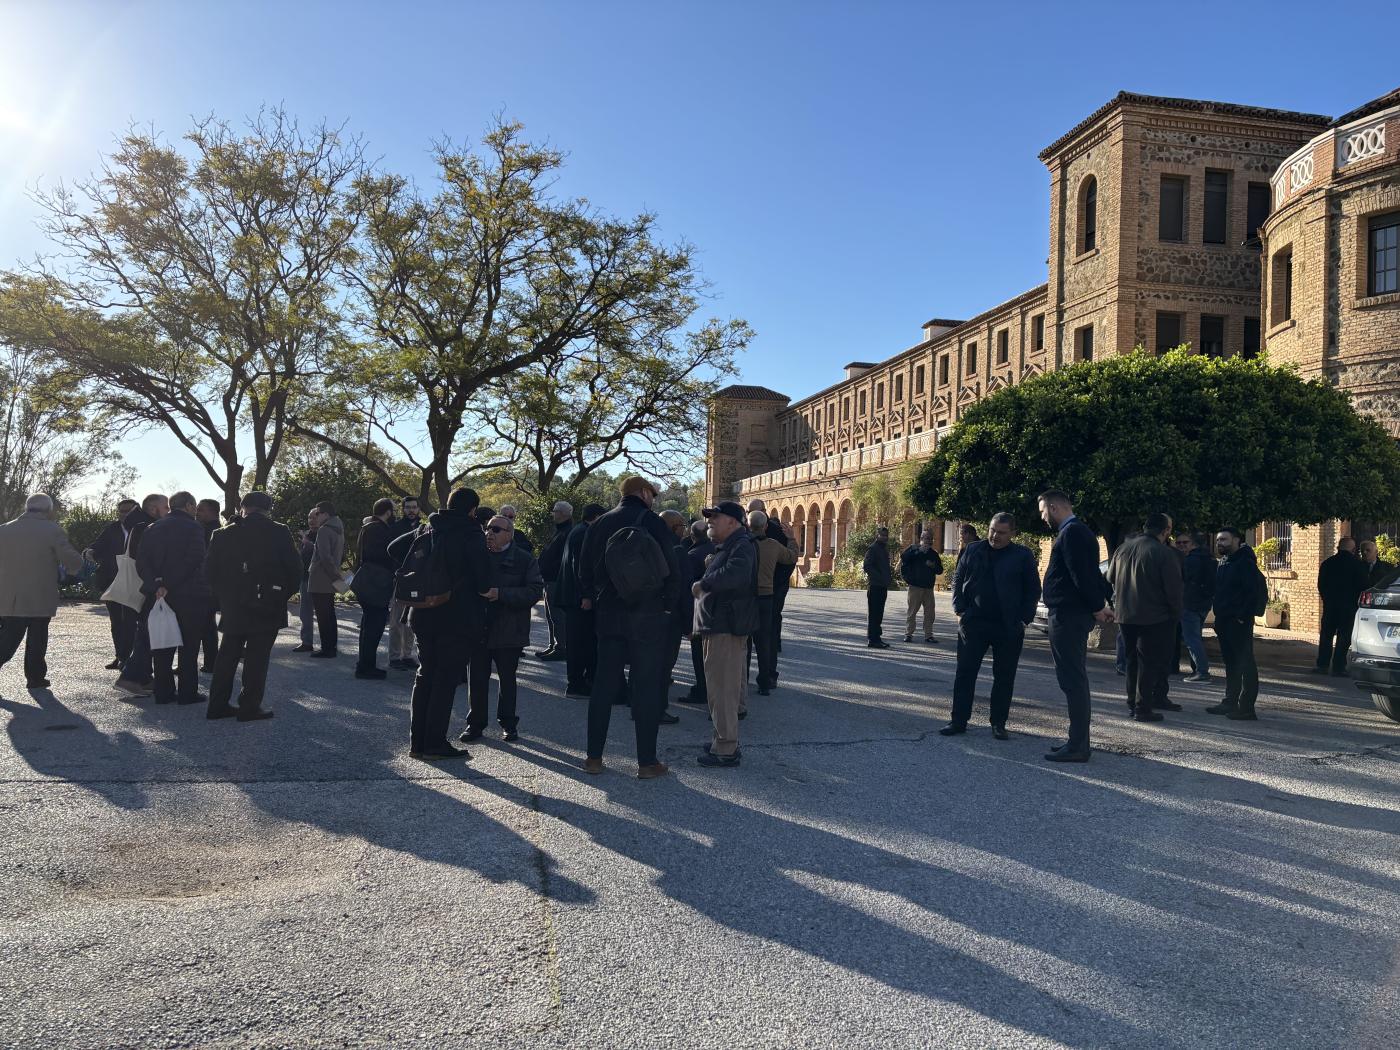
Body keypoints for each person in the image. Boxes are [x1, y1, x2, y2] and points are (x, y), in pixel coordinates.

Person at [579, 475, 682, 779]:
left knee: (603, 686)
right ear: (642, 493)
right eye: (652, 493)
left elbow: (584, 570)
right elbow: (672, 568)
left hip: (609, 614)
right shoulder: (652, 522)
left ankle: (593, 758)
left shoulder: (600, 523)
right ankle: (647, 763)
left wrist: (597, 598)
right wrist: (667, 606)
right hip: (647, 613)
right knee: (647, 686)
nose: (654, 499)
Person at [388, 487, 494, 760]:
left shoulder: (428, 527)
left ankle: (418, 743)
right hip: (458, 615)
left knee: (425, 674)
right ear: (473, 509)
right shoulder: (471, 533)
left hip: (423, 611)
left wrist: (423, 573)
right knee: (445, 678)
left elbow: (394, 548)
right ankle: (435, 742)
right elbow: (483, 579)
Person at [204, 491, 301, 721]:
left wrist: (223, 597)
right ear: (268, 509)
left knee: (227, 655)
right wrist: (282, 594)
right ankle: (249, 706)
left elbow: (209, 571)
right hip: (267, 602)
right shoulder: (279, 531)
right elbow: (295, 569)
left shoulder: (222, 534)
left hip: (233, 603)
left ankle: (217, 704)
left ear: (243, 507)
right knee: (257, 657)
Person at [942, 512, 1041, 739]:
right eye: (992, 530)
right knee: (965, 673)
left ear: (1012, 533)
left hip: (1008, 626)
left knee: (1004, 676)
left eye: (1002, 533)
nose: (995, 536)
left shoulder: (1022, 556)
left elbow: (1033, 590)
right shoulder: (973, 550)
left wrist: (1024, 620)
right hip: (973, 623)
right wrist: (959, 610)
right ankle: (958, 721)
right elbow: (958, 579)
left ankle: (998, 723)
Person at [1038, 490, 1112, 762]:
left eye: (1043, 512)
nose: (1043, 518)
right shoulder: (1077, 532)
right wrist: (1101, 603)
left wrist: (1097, 606)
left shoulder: (1072, 533)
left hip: (1069, 616)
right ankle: (1076, 740)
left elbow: (1082, 575)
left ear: (1054, 507)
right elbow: (1091, 574)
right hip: (1069, 614)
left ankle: (1078, 746)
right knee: (1072, 679)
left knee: (1072, 680)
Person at [462, 514, 543, 742]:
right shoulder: (477, 556)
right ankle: (475, 724)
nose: (489, 533)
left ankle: (508, 724)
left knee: (507, 679)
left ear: (509, 534)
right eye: (488, 528)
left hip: (509, 628)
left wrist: (501, 594)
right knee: (477, 679)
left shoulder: (524, 559)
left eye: (496, 529)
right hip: (478, 627)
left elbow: (534, 591)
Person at [694, 501, 758, 768]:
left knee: (722, 690)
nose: (710, 520)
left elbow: (736, 575)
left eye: (715, 517)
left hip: (725, 627)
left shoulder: (741, 545)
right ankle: (722, 740)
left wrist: (704, 583)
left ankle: (725, 748)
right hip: (720, 625)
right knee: (722, 688)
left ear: (733, 522)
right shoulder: (732, 545)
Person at [137, 491, 214, 706]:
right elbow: (194, 559)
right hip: (190, 594)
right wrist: (168, 584)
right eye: (194, 506)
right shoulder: (193, 527)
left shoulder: (152, 528)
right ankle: (187, 693)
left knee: (162, 644)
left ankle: (163, 692)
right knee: (189, 645)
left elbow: (142, 561)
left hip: (158, 595)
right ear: (188, 505)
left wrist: (157, 584)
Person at [0, 494, 84, 688]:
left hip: (9, 595)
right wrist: (76, 567)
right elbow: (70, 559)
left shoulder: (4, 529)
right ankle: (35, 678)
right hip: (40, 595)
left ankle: (35, 676)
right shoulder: (52, 530)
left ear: (26, 507)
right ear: (48, 509)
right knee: (38, 638)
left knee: (8, 637)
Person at [1107, 512, 1184, 723]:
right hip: (1154, 616)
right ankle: (1143, 707)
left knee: (1132, 660)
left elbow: (1110, 577)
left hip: (1125, 614)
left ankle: (1133, 702)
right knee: (1149, 663)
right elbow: (1173, 590)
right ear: (1166, 530)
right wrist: (1176, 613)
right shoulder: (1164, 553)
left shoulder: (1123, 549)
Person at [114, 493, 170, 696]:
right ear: (154, 509)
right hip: (148, 587)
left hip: (142, 586)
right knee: (147, 633)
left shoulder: (137, 526)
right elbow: (147, 560)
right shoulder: (148, 527)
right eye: (166, 507)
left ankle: (143, 677)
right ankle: (131, 677)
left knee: (146, 632)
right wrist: (157, 583)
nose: (169, 511)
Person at [1209, 527, 1266, 720]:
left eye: (1224, 539)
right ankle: (1230, 701)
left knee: (1245, 662)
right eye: (1218, 540)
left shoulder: (1245, 563)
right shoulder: (1224, 562)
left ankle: (1247, 707)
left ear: (1236, 540)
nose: (1219, 543)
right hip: (1224, 620)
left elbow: (1252, 593)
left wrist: (1241, 616)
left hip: (1238, 621)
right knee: (1231, 663)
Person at [559, 502, 605, 698]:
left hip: (573, 596)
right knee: (580, 643)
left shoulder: (578, 531)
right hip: (578, 598)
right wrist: (586, 595)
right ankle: (576, 684)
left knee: (580, 641)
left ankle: (581, 681)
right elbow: (580, 567)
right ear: (596, 517)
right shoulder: (583, 533)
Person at [86, 497, 138, 669]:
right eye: (121, 511)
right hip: (113, 580)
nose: (125, 514)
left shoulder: (143, 528)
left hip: (135, 582)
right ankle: (120, 656)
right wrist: (91, 551)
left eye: (129, 511)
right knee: (117, 622)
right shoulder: (112, 528)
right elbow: (98, 545)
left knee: (132, 622)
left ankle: (132, 658)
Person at [749, 510, 797, 695]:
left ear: (748, 525)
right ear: (766, 526)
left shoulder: (743, 545)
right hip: (766, 596)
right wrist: (791, 538)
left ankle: (741, 681)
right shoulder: (773, 545)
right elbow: (792, 557)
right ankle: (765, 682)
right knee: (764, 641)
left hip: (747, 597)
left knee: (744, 641)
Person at [354, 497, 397, 680]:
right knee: (374, 627)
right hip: (376, 584)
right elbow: (384, 556)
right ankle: (366, 667)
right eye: (393, 510)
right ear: (388, 512)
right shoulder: (380, 530)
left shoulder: (367, 527)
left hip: (366, 582)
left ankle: (364, 664)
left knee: (368, 625)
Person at [1314, 537, 1367, 676]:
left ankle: (1322, 665)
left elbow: (1321, 585)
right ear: (1353, 550)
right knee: (1344, 637)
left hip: (1330, 606)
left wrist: (1326, 599)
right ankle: (1338, 667)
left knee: (1326, 636)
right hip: (1348, 607)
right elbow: (1363, 586)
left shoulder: (1327, 563)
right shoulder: (1357, 565)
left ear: (1338, 547)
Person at [680, 519, 715, 705]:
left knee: (699, 655)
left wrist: (687, 622)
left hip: (698, 610)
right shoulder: (717, 550)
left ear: (692, 535)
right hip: (715, 610)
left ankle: (702, 690)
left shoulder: (691, 555)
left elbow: (687, 589)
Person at [387, 496, 423, 669]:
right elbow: (390, 552)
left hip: (417, 579)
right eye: (408, 507)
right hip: (400, 578)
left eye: (414, 507)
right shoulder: (395, 528)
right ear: (403, 509)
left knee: (411, 620)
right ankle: (394, 656)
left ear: (419, 509)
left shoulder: (423, 528)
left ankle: (407, 655)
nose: (411, 510)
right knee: (395, 621)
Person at [536, 501, 574, 662]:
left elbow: (563, 558)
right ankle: (553, 644)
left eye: (555, 511)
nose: (553, 513)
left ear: (563, 514)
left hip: (557, 580)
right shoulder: (559, 531)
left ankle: (561, 647)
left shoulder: (567, 532)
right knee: (550, 615)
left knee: (557, 616)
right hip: (549, 579)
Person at [307, 501, 345, 658]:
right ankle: (332, 645)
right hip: (331, 578)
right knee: (330, 613)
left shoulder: (324, 530)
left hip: (321, 578)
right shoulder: (338, 528)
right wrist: (337, 577)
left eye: (318, 513)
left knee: (323, 615)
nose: (316, 517)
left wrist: (335, 576)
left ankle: (327, 648)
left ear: (326, 514)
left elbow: (325, 557)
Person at [1180, 531, 1215, 682]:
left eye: (1185, 543)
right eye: (1179, 543)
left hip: (1190, 603)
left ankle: (1202, 671)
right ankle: (1199, 669)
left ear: (1193, 544)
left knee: (1191, 639)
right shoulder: (1209, 559)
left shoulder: (1190, 560)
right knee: (1195, 637)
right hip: (1204, 603)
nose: (1182, 546)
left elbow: (1184, 580)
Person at [899, 529, 943, 643]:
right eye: (926, 538)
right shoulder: (913, 549)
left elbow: (940, 570)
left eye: (930, 538)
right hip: (915, 586)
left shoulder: (933, 554)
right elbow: (903, 557)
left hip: (928, 587)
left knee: (930, 613)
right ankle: (908, 634)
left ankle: (928, 635)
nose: (928, 540)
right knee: (912, 612)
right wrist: (917, 552)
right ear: (921, 539)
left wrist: (933, 566)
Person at [195, 499, 223, 672]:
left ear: (213, 511)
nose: (197, 512)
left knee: (205, 625)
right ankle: (211, 661)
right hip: (211, 585)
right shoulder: (214, 529)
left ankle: (210, 662)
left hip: (206, 585)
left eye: (201, 509)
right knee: (207, 625)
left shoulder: (211, 531)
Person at [292, 509, 319, 654]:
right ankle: (306, 642)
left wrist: (308, 544)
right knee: (305, 613)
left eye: (314, 517)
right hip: (305, 578)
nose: (311, 520)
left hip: (321, 579)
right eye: (309, 518)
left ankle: (328, 644)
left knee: (324, 612)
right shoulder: (306, 535)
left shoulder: (325, 533)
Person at [863, 527, 893, 648]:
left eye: (886, 535)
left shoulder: (883, 549)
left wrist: (887, 579)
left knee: (879, 613)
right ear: (877, 535)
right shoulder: (873, 549)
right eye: (882, 535)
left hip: (882, 586)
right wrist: (880, 577)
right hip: (875, 585)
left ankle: (877, 637)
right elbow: (867, 566)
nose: (885, 537)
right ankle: (873, 639)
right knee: (874, 614)